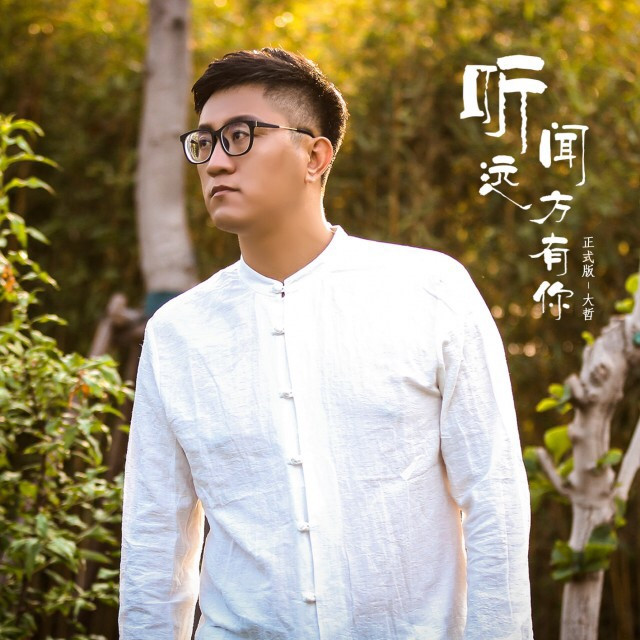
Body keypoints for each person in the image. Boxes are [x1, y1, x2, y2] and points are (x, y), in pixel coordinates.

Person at [119, 47, 534, 640]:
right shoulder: (178, 332)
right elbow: (155, 538)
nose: (215, 162)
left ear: (315, 156)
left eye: (239, 136)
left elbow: (494, 497)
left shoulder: (430, 290)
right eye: (203, 143)